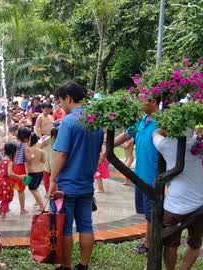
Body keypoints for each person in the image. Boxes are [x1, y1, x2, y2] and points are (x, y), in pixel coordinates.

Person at [48, 82, 104, 270]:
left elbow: (61, 154)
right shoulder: (95, 120)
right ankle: (84, 265)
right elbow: (98, 153)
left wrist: (52, 179)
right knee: (86, 226)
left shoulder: (69, 121)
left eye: (61, 101)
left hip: (66, 186)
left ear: (69, 98)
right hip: (86, 185)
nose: (60, 105)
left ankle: (65, 266)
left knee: (65, 228)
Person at [114, 95, 161, 254]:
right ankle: (148, 239)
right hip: (139, 176)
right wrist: (106, 147)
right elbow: (126, 135)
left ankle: (149, 243)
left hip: (153, 178)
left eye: (143, 100)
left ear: (153, 102)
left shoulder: (162, 123)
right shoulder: (142, 121)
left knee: (151, 214)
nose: (139, 103)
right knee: (146, 213)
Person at [152, 129, 203, 270]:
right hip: (200, 203)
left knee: (170, 243)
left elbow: (155, 134)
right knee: (195, 241)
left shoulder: (167, 144)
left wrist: (165, 128)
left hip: (175, 205)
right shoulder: (199, 143)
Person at [0, 142, 25, 220]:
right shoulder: (10, 163)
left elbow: (0, 171)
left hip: (0, 182)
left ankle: (0, 210)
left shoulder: (3, 160)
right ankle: (3, 216)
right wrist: (20, 177)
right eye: (16, 151)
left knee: (5, 198)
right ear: (12, 152)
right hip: (5, 183)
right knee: (7, 199)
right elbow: (9, 174)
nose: (17, 153)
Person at [13, 127, 31, 214]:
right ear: (25, 137)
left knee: (10, 188)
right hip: (20, 168)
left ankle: (2, 208)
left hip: (13, 167)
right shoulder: (24, 146)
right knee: (21, 190)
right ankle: (22, 209)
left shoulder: (14, 143)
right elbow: (27, 159)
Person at [26, 133, 46, 211]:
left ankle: (42, 205)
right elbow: (43, 161)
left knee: (33, 189)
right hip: (40, 172)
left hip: (32, 173)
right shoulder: (41, 151)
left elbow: (27, 160)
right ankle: (37, 202)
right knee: (35, 187)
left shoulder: (28, 149)